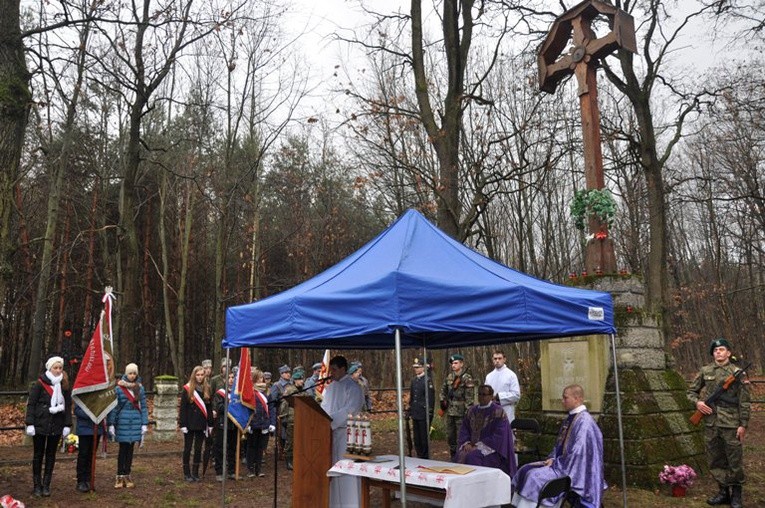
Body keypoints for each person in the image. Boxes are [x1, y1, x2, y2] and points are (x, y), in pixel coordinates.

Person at [512, 385, 605, 508]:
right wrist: (552, 458)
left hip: (571, 470)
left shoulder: (585, 423)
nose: (562, 401)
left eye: (565, 398)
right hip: (561, 463)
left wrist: (556, 461)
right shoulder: (571, 417)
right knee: (524, 469)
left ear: (577, 399)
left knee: (534, 477)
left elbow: (578, 455)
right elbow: (559, 445)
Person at [687, 338, 750, 508]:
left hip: (731, 423)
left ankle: (736, 494)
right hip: (711, 423)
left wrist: (743, 424)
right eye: (715, 350)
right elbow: (691, 391)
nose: (718, 352)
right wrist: (698, 403)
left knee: (734, 460)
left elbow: (744, 402)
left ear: (729, 353)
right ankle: (723, 492)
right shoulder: (705, 370)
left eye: (722, 349)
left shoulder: (738, 373)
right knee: (715, 459)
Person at [25, 356, 72, 497]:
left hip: (56, 425)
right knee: (38, 455)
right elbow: (31, 404)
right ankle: (37, 485)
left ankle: (46, 485)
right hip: (40, 425)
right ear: (49, 368)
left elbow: (68, 406)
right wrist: (30, 423)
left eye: (60, 368)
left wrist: (67, 424)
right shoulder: (39, 384)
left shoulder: (64, 385)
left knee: (51, 456)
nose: (58, 370)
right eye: (55, 368)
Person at [321, 355, 364, 508]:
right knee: (334, 470)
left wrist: (330, 421)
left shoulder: (353, 387)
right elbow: (323, 409)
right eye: (330, 369)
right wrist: (322, 420)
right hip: (330, 434)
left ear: (343, 369)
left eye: (334, 369)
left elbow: (351, 409)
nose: (331, 372)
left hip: (346, 434)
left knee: (347, 471)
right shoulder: (330, 387)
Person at [454, 384, 516, 476]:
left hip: (492, 449)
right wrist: (466, 443)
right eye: (479, 394)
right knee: (460, 455)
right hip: (471, 446)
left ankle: (477, 485)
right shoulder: (471, 411)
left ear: (491, 396)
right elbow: (464, 429)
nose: (481, 397)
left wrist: (478, 446)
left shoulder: (498, 412)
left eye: (484, 394)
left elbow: (499, 436)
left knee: (472, 457)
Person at [108, 363, 149, 488]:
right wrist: (111, 424)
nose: (132, 376)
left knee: (130, 450)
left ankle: (127, 474)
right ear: (126, 374)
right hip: (122, 421)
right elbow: (115, 407)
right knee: (122, 450)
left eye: (134, 373)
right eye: (130, 373)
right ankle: (119, 475)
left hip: (135, 421)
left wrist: (144, 423)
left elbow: (144, 407)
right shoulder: (119, 389)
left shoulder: (140, 388)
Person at [179, 365, 213, 482]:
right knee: (188, 448)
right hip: (189, 423)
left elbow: (209, 408)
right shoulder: (187, 389)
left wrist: (210, 424)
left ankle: (195, 472)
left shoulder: (207, 388)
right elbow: (183, 408)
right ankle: (186, 473)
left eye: (201, 375)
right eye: (197, 375)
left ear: (204, 376)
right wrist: (182, 424)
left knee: (198, 448)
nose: (199, 377)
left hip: (201, 423)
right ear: (194, 376)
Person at [439, 353, 476, 456]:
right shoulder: (449, 377)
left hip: (461, 412)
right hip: (450, 411)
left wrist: (467, 412)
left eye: (456, 363)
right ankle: (453, 455)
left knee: (461, 435)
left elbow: (469, 398)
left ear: (461, 364)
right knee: (450, 435)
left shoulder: (467, 378)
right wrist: (443, 402)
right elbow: (443, 391)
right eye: (452, 364)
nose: (453, 365)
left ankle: (462, 456)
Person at [246, 369, 276, 478]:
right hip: (253, 423)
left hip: (264, 423)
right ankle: (250, 468)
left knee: (261, 447)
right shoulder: (250, 392)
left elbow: (271, 408)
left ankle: (258, 468)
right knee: (251, 446)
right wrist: (247, 424)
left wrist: (272, 423)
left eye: (262, 377)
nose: (261, 379)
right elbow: (246, 409)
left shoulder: (267, 392)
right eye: (259, 378)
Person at [279, 368, 308, 470]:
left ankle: (298, 459)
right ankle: (289, 460)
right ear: (295, 380)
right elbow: (284, 405)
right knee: (290, 441)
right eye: (299, 379)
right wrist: (284, 418)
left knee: (300, 440)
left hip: (301, 419)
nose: (302, 381)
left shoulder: (303, 390)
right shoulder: (290, 390)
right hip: (291, 418)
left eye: (302, 379)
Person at [74, 404, 106, 492]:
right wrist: (91, 414)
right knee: (83, 455)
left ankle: (89, 479)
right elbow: (77, 410)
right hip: (84, 429)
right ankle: (81, 480)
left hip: (97, 428)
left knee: (92, 455)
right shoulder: (81, 393)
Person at [408, 357, 435, 458]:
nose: (416, 369)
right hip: (416, 412)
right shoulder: (414, 380)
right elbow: (412, 396)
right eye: (415, 367)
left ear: (423, 368)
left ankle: (424, 457)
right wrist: (410, 409)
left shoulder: (427, 381)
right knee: (417, 438)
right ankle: (419, 455)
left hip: (423, 414)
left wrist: (429, 413)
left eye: (418, 367)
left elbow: (430, 399)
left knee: (424, 439)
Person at [484, 350, 521, 425]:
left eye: (499, 358)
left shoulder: (511, 375)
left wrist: (499, 397)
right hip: (491, 411)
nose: (497, 361)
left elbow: (516, 395)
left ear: (504, 359)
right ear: (492, 360)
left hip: (506, 411)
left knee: (505, 434)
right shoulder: (489, 376)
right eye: (495, 358)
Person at [213, 370, 237, 481]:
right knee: (220, 448)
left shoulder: (237, 394)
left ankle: (232, 471)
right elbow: (220, 407)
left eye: (233, 377)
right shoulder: (220, 393)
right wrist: (233, 406)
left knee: (232, 448)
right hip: (223, 423)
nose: (231, 380)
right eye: (229, 377)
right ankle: (219, 471)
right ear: (224, 380)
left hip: (234, 424)